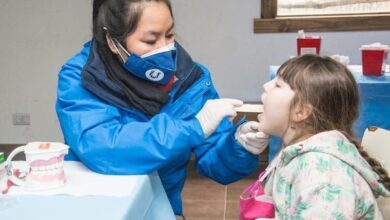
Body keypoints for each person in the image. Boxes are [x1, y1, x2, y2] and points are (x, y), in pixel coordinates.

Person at [55, 0, 269, 216]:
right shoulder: (82, 77)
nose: (164, 49)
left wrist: (239, 146)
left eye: (169, 35)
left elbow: (218, 165)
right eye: (150, 40)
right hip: (98, 207)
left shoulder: (189, 79)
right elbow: (103, 148)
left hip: (160, 207)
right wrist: (193, 128)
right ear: (112, 41)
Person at [249, 54, 390, 219]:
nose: (266, 86)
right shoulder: (297, 152)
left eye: (278, 85)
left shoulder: (323, 178)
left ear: (301, 112)